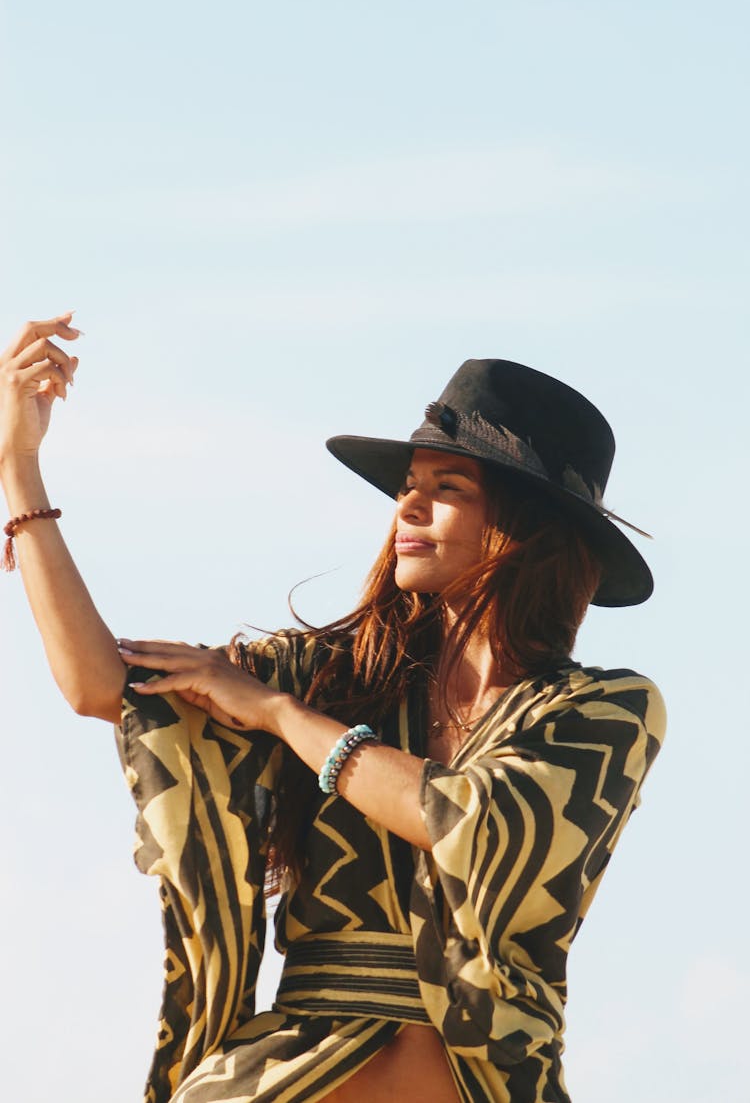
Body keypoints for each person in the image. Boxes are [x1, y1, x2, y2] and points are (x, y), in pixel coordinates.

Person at [0, 314, 665, 1103]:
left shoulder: (601, 711)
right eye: (408, 486)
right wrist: (20, 467)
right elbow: (101, 684)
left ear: (522, 530)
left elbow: (474, 822)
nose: (407, 510)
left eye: (446, 488)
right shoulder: (333, 674)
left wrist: (282, 717)